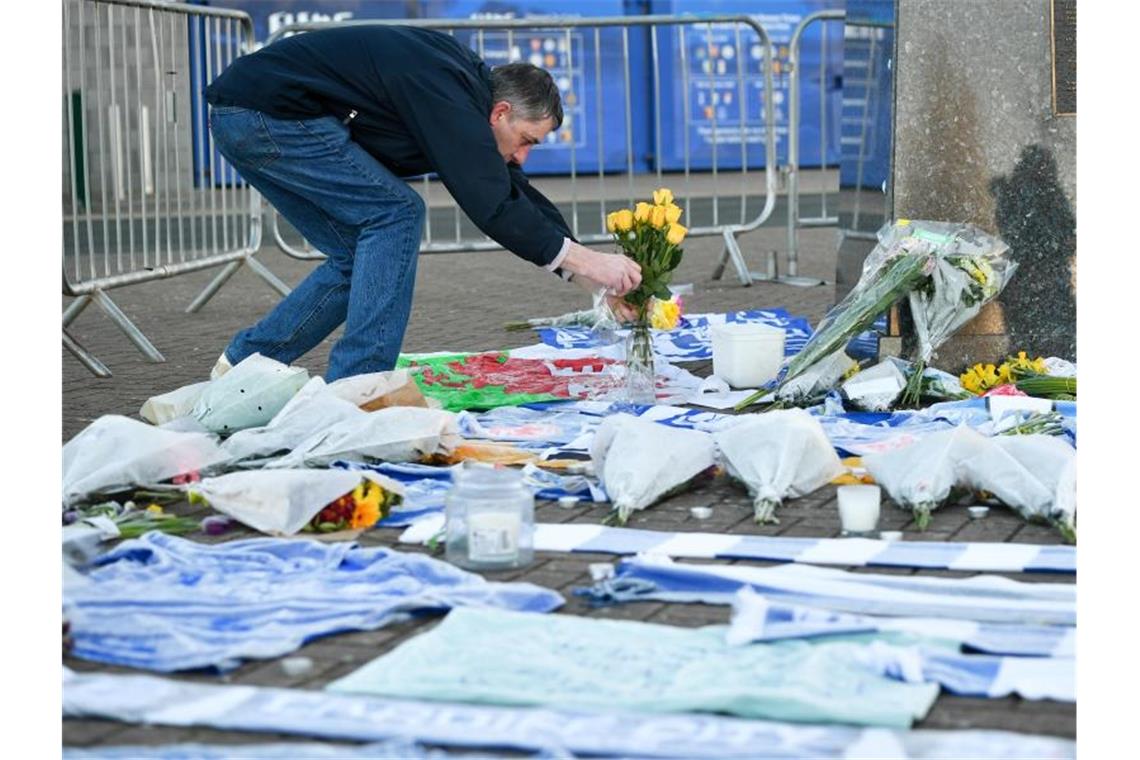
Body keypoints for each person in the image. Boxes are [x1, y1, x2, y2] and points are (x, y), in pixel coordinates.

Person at [205, 24, 641, 381]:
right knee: (395, 214)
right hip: (266, 115)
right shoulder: (448, 93)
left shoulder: (467, 93)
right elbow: (491, 204)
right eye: (526, 141)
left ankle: (243, 366)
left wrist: (588, 275)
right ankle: (360, 385)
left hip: (251, 115)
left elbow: (512, 189)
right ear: (501, 112)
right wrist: (586, 261)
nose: (523, 155)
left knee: (356, 254)